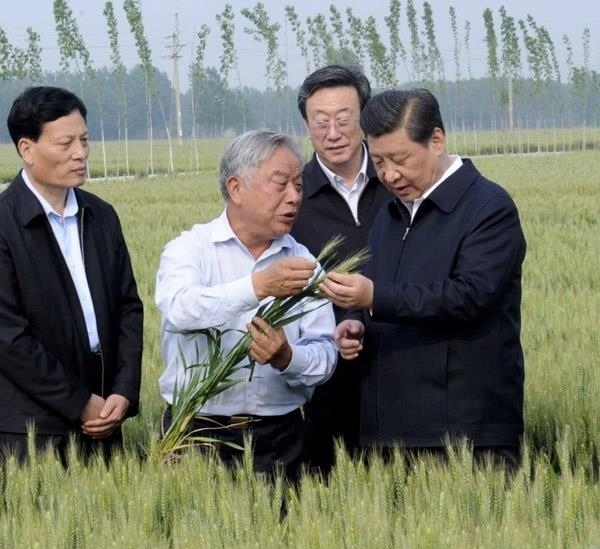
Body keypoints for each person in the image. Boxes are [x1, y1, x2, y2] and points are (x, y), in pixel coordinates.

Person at [321, 88, 526, 469]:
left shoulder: (489, 207)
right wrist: (357, 321)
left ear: (436, 139)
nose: (389, 174)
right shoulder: (390, 215)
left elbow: (469, 296)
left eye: (400, 159)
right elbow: (383, 288)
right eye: (379, 162)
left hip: (467, 433)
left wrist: (374, 298)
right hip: (389, 430)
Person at [155, 130, 337, 481]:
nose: (293, 197)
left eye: (298, 185)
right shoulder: (190, 249)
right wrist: (258, 286)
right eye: (280, 184)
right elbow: (179, 308)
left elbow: (326, 355)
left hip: (280, 439)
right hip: (194, 433)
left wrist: (287, 357)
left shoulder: (304, 264)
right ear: (236, 188)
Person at [0, 86, 144, 463]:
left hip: (105, 416)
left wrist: (123, 391)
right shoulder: (4, 224)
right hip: (31, 431)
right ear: (27, 149)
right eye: (66, 143)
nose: (80, 153)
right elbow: (8, 337)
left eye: (84, 140)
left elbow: (129, 308)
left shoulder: (101, 216)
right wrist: (79, 401)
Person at [292, 64, 391, 476]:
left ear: (364, 118)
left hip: (404, 376)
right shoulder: (292, 197)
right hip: (326, 391)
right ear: (307, 126)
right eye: (321, 122)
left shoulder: (400, 182)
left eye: (344, 119)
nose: (333, 133)